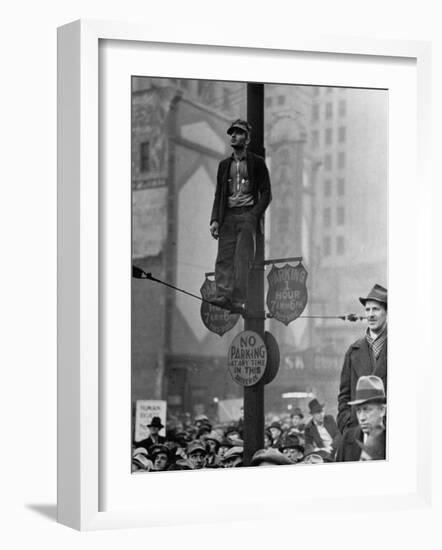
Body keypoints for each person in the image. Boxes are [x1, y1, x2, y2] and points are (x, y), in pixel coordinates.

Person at [210, 119, 272, 310]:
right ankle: (223, 295)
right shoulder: (224, 165)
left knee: (242, 258)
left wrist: (253, 216)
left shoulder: (257, 163)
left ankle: (237, 299)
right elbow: (219, 194)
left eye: (238, 132)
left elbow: (267, 193)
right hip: (227, 215)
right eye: (232, 133)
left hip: (247, 215)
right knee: (224, 257)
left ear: (247, 138)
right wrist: (214, 220)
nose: (234, 136)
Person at [337, 284, 387, 433]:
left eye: (376, 309)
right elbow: (344, 395)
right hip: (357, 432)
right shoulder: (353, 351)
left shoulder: (401, 350)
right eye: (367, 310)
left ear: (387, 312)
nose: (370, 315)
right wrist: (346, 424)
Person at [336, 375, 386, 462]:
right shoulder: (347, 438)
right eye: (358, 411)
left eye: (367, 410)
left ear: (382, 410)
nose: (362, 418)